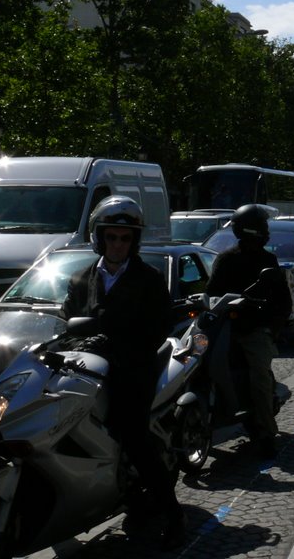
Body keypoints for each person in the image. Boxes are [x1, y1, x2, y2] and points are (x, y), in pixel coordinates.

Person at [65, 196, 186, 549]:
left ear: (134, 242)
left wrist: (115, 346)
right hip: (87, 370)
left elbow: (156, 331)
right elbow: (66, 321)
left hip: (132, 371)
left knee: (133, 436)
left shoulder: (149, 280)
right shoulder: (79, 278)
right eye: (112, 237)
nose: (118, 244)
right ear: (99, 238)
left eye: (125, 238)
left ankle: (174, 515)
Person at [206, 203, 292, 458]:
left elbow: (283, 301)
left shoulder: (268, 260)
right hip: (224, 328)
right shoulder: (226, 260)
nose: (267, 231)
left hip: (254, 330)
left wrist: (270, 327)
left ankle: (267, 432)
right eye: (263, 226)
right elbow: (211, 293)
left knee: (259, 377)